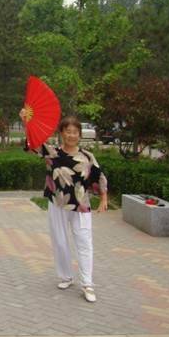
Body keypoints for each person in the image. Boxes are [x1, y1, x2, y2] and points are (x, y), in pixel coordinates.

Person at [20, 110, 108, 303]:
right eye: (68, 131)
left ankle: (87, 284)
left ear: (79, 135)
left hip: (81, 205)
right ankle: (66, 276)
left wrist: (103, 198)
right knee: (60, 241)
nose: (71, 135)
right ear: (61, 133)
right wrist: (26, 122)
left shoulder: (87, 157)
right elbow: (33, 143)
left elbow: (99, 177)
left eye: (75, 132)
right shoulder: (53, 153)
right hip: (58, 203)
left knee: (84, 242)